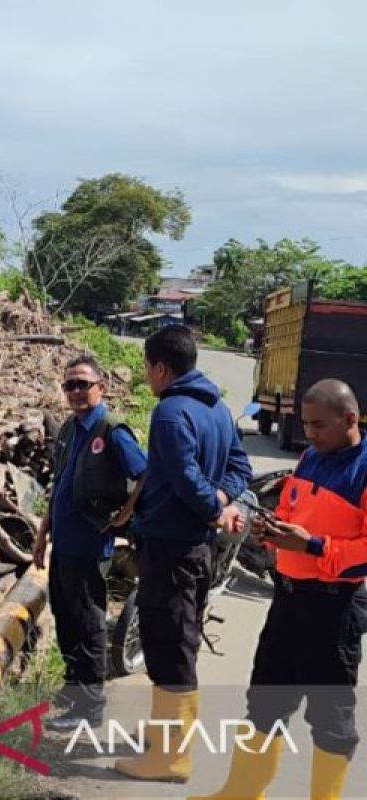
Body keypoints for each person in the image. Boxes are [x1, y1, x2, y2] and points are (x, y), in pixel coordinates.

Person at [191, 379, 366, 800]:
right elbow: (288, 511)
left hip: (333, 607)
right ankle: (242, 790)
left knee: (330, 717)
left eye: (319, 425)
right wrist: (269, 532)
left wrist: (312, 545)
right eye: (305, 424)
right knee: (265, 699)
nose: (310, 433)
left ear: (351, 419)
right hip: (288, 598)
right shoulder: (310, 458)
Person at [113, 326, 252, 782]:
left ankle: (171, 758)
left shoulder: (171, 413)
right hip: (194, 549)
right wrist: (225, 499)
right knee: (180, 640)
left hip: (172, 547)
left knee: (168, 646)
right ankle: (167, 737)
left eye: (146, 368)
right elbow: (240, 468)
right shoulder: (217, 408)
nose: (146, 377)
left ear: (160, 367)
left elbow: (183, 477)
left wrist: (213, 505)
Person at [33, 355, 147, 731]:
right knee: (66, 619)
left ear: (102, 386)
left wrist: (126, 513)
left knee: (88, 623)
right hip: (63, 543)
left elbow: (144, 473)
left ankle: (90, 707)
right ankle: (73, 689)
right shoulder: (70, 428)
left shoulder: (111, 430)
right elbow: (59, 484)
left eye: (84, 383)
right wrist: (41, 534)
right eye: (70, 385)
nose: (77, 391)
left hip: (89, 545)